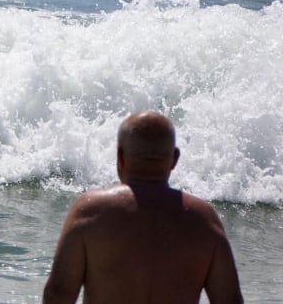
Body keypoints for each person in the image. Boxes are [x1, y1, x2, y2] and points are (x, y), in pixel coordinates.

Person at [43, 110, 244, 304]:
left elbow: (58, 295)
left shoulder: (90, 211)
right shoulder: (203, 219)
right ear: (174, 158)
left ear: (120, 156)